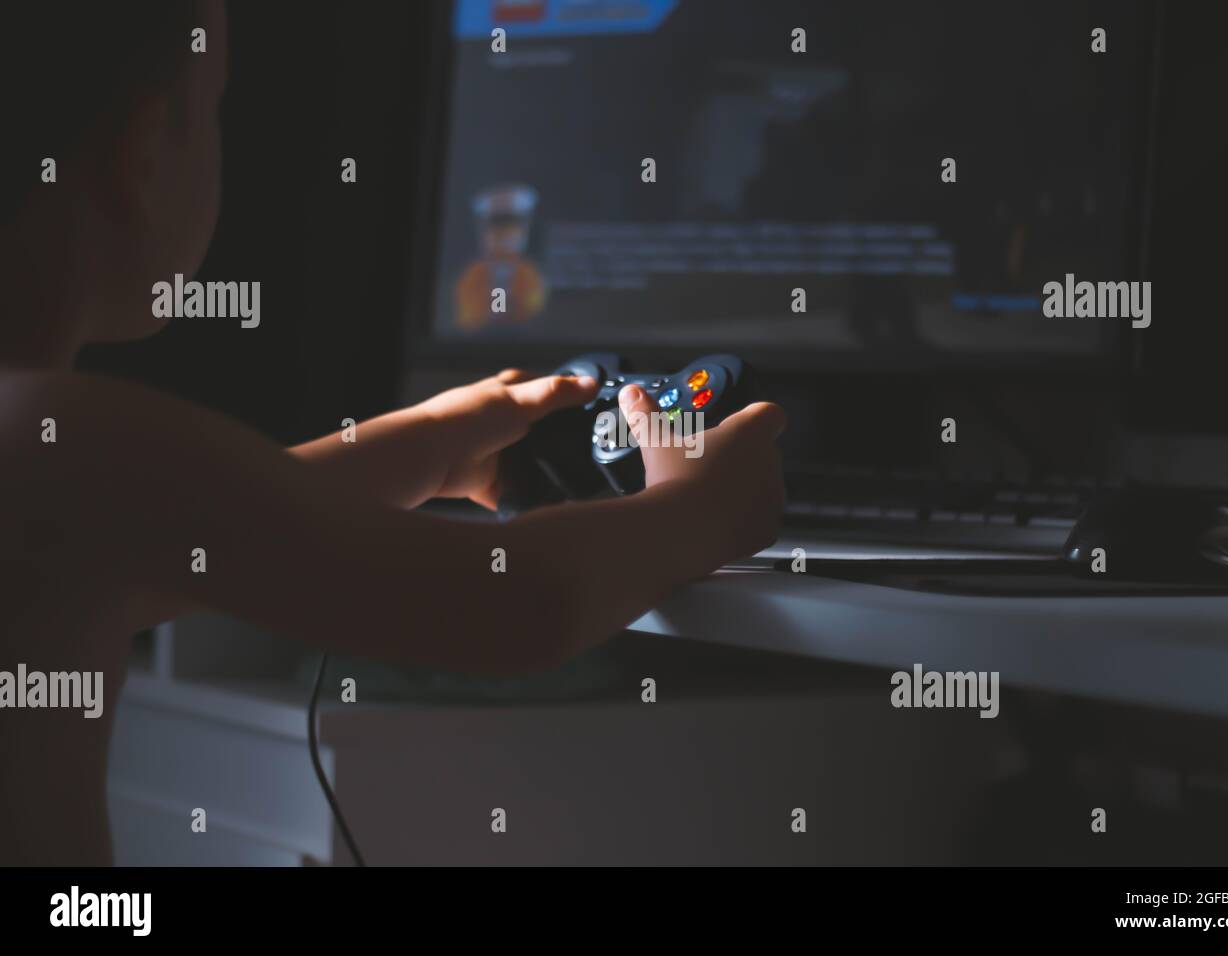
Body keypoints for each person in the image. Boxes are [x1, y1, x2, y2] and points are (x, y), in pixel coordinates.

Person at [0, 1, 785, 864]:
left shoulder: (49, 452)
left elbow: (237, 520)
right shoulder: (55, 437)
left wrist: (429, 438)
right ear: (142, 158)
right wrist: (698, 512)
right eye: (214, 111)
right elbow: (516, 604)